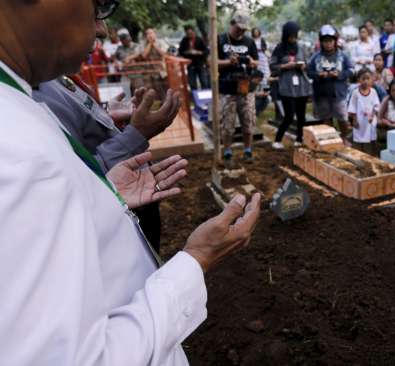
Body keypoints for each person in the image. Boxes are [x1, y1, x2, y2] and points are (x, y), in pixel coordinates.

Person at [0, 1, 261, 364]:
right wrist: (196, 260)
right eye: (98, 5)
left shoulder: (18, 109)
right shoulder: (18, 151)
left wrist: (101, 194)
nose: (102, 29)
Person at [34, 20, 182, 251]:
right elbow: (76, 174)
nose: (102, 29)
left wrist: (104, 116)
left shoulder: (47, 76)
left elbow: (77, 131)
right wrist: (137, 133)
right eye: (94, 10)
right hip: (109, 216)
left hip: (130, 197)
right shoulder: (24, 97)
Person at [217, 13, 259, 162]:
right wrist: (228, 62)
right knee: (227, 124)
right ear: (232, 24)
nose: (241, 32)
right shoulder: (220, 39)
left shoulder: (249, 42)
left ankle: (248, 150)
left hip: (246, 87)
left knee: (248, 121)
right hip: (227, 88)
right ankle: (227, 151)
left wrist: (252, 63)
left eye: (243, 30)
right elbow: (211, 62)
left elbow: (256, 61)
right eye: (238, 28)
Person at [270, 21, 313, 149]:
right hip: (287, 86)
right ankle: (277, 140)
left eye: (295, 35)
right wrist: (285, 66)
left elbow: (307, 64)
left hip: (301, 86)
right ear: (286, 34)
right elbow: (272, 66)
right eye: (291, 35)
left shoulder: (301, 47)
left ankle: (299, 139)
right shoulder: (279, 48)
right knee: (289, 116)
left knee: (301, 116)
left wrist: (303, 66)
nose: (293, 38)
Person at [308, 24, 354, 143]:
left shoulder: (342, 56)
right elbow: (308, 71)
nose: (328, 44)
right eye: (325, 41)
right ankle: (330, 140)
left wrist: (339, 75)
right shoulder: (316, 57)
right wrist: (318, 75)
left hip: (338, 92)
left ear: (335, 41)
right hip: (321, 92)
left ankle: (344, 138)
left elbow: (352, 70)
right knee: (326, 118)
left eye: (330, 41)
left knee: (342, 118)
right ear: (321, 42)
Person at [348, 69, 381, 154]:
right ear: (359, 80)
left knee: (370, 139)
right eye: (363, 79)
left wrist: (372, 116)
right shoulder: (355, 93)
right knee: (358, 138)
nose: (366, 81)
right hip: (359, 121)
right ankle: (358, 155)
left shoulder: (373, 92)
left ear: (372, 79)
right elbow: (353, 107)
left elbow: (376, 106)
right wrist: (354, 120)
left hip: (370, 121)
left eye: (368, 79)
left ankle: (371, 155)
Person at [179, 26, 209, 90]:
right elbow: (180, 51)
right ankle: (194, 97)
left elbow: (206, 51)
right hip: (190, 65)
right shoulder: (184, 40)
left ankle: (206, 97)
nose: (189, 35)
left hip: (200, 64)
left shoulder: (199, 39)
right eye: (187, 34)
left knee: (204, 81)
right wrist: (187, 52)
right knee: (192, 83)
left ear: (193, 32)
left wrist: (198, 52)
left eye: (190, 33)